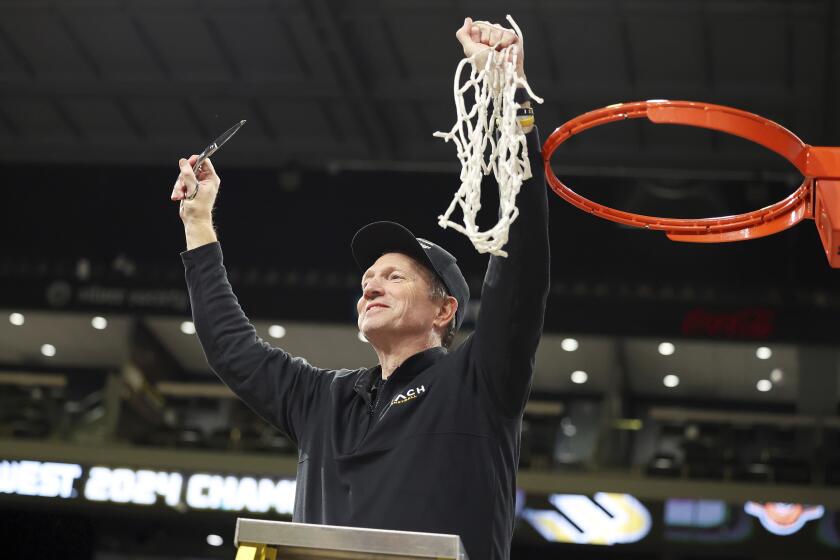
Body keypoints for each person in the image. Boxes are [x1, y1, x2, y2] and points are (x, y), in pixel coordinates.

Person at [170, 17, 549, 560]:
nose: (371, 285)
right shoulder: (324, 399)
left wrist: (511, 97)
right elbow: (232, 348)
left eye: (394, 276)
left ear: (444, 309)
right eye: (367, 279)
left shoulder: (478, 381)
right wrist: (198, 223)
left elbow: (522, 272)